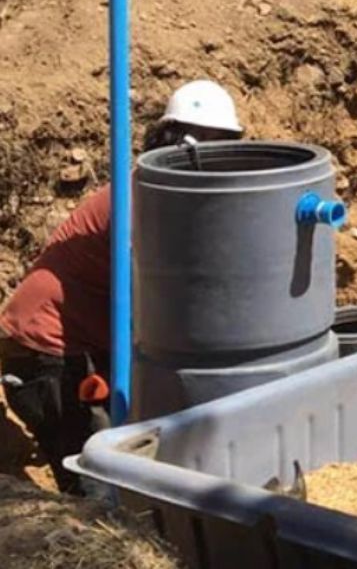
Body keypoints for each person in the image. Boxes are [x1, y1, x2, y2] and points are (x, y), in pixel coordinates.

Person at [0, 80, 243, 494]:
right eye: (211, 145)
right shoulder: (141, 203)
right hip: (47, 346)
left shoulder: (166, 201)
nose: (218, 160)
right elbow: (149, 306)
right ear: (178, 142)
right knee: (94, 482)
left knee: (124, 462)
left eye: (226, 146)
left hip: (83, 339)